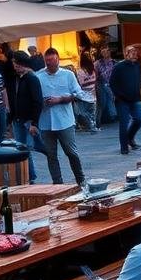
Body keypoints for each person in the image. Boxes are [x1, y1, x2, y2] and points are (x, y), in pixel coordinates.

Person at [35, 48, 88, 187]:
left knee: (71, 152)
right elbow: (33, 98)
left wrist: (61, 99)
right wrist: (41, 102)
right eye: (47, 61)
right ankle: (57, 183)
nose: (49, 64)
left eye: (52, 60)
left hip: (64, 121)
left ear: (58, 59)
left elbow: (77, 94)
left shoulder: (68, 75)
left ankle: (80, 179)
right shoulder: (38, 76)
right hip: (45, 121)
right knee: (51, 155)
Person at [10, 53, 45, 183]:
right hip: (19, 118)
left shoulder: (31, 78)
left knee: (26, 148)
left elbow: (37, 101)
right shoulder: (19, 78)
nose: (14, 65)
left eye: (16, 63)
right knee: (23, 147)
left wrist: (34, 122)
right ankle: (30, 176)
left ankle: (30, 176)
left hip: (27, 119)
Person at [111, 46, 141, 154]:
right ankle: (124, 147)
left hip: (135, 98)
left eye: (136, 52)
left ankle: (130, 138)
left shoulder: (137, 65)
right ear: (126, 54)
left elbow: (140, 77)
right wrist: (120, 95)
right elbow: (112, 83)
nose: (135, 54)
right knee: (124, 123)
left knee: (140, 118)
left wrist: (140, 85)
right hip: (122, 100)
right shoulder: (118, 67)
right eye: (133, 52)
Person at [74, 52, 99, 132]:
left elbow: (81, 84)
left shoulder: (80, 71)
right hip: (93, 93)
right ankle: (93, 126)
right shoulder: (93, 70)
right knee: (92, 112)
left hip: (84, 94)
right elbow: (94, 81)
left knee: (83, 112)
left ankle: (89, 126)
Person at [94, 46, 119, 125]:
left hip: (112, 83)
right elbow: (95, 74)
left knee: (110, 98)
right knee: (103, 101)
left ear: (109, 52)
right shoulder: (97, 63)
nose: (105, 53)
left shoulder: (114, 63)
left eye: (106, 51)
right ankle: (110, 115)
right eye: (103, 52)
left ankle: (111, 115)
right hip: (101, 84)